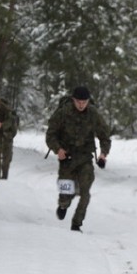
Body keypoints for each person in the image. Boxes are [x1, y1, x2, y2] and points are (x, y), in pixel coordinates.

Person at [45, 85, 112, 232]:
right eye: (78, 102)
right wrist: (58, 150)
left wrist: (103, 154)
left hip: (84, 158)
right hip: (66, 158)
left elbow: (104, 135)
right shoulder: (63, 113)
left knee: (85, 193)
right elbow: (50, 134)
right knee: (65, 194)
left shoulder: (93, 114)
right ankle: (64, 204)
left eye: (84, 102)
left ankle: (76, 224)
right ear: (73, 100)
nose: (81, 105)